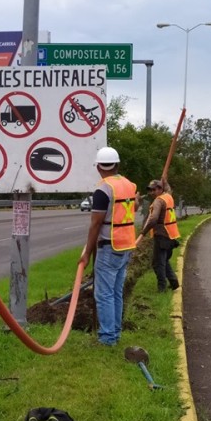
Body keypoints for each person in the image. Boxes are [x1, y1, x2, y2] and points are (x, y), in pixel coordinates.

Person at [79, 146, 137, 346]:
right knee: (116, 292)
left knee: (104, 293)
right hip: (126, 244)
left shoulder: (103, 189)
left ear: (98, 167)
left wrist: (87, 252)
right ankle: (115, 333)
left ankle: (107, 339)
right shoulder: (129, 185)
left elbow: (96, 223)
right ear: (117, 165)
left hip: (109, 245)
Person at [135, 179, 180, 292]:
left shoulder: (158, 201)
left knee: (157, 264)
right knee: (164, 260)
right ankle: (174, 282)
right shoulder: (168, 196)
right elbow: (169, 189)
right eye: (150, 190)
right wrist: (165, 182)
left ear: (160, 189)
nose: (151, 192)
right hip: (171, 235)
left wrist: (143, 232)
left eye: (154, 190)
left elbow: (153, 219)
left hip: (162, 235)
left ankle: (162, 288)